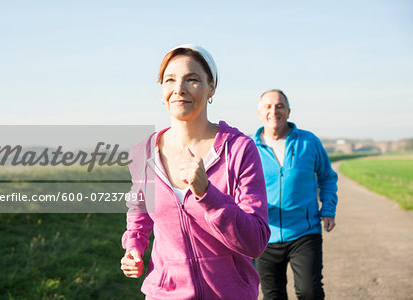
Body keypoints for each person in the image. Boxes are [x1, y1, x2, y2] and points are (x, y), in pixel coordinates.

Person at [120, 44, 271, 299]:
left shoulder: (239, 149)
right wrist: (133, 247)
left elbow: (255, 241)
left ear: (211, 87)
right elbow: (140, 213)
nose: (179, 89)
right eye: (170, 80)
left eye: (192, 79)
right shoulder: (143, 154)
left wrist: (207, 194)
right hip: (164, 293)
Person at [252, 89, 338, 300]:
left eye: (280, 106)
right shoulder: (249, 148)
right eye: (268, 106)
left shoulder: (309, 142)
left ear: (288, 111)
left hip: (305, 232)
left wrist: (328, 209)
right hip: (265, 236)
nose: (274, 111)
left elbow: (327, 177)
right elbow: (237, 189)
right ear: (259, 112)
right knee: (273, 296)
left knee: (310, 292)